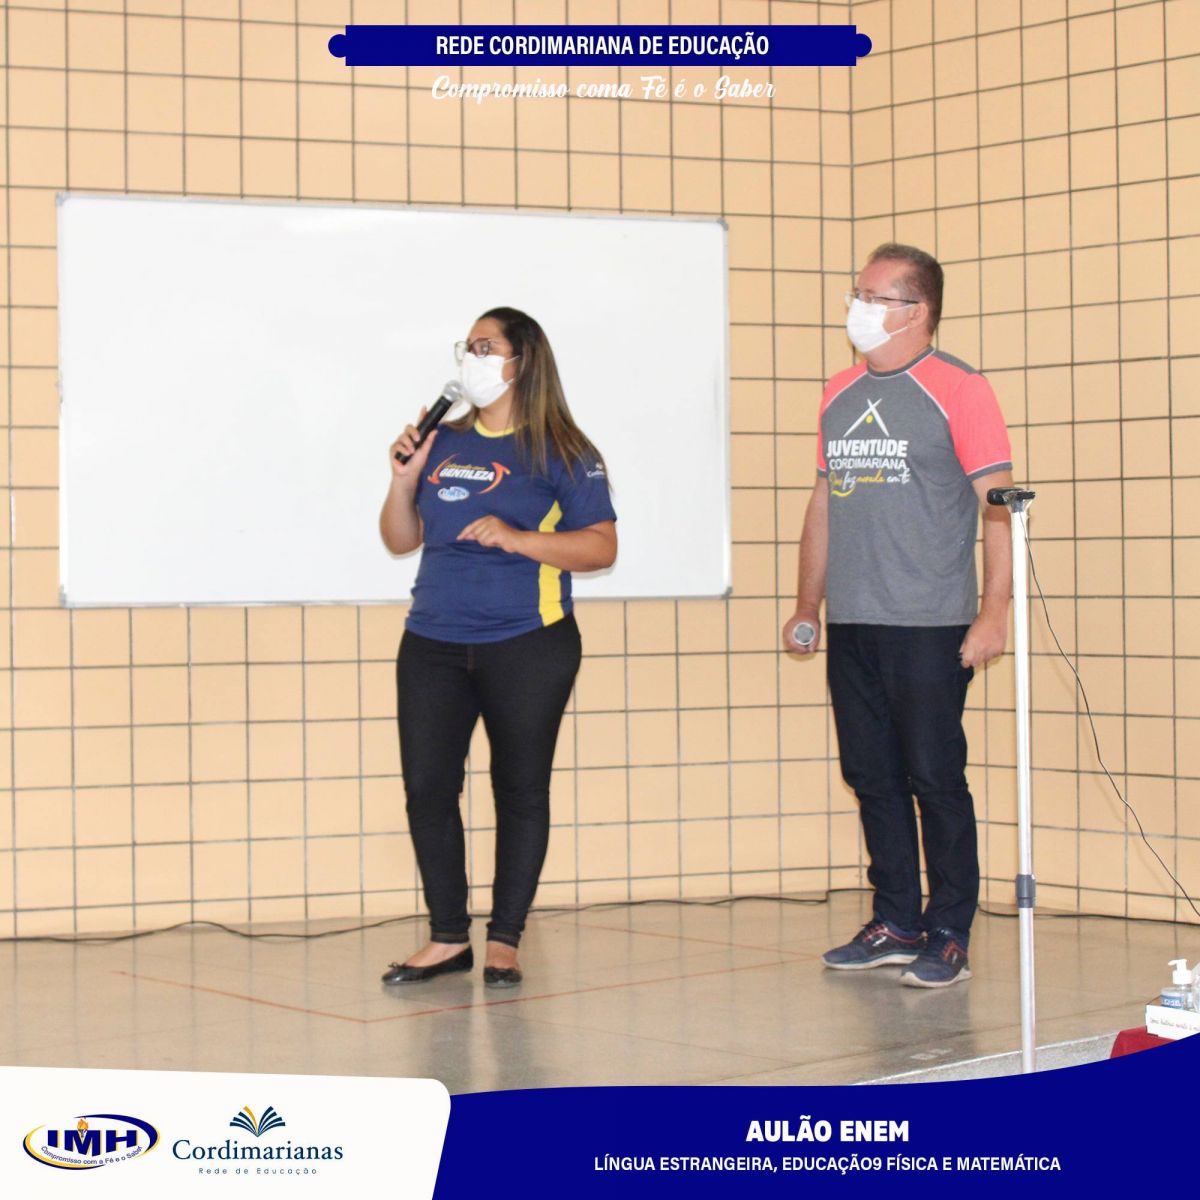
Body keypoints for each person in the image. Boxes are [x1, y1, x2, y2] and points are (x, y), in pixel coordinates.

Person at [783, 244, 1014, 988]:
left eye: (874, 296)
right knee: (872, 776)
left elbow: (999, 509)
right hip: (856, 621)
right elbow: (825, 501)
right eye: (858, 293)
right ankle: (896, 920)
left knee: (934, 776)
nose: (857, 307)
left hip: (931, 622)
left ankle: (948, 930)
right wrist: (808, 604)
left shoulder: (961, 389)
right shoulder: (840, 392)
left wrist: (994, 612)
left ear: (917, 310)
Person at [379, 307, 617, 989]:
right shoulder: (443, 441)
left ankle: (505, 940)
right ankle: (447, 937)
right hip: (433, 641)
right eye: (469, 346)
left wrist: (518, 539)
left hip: (528, 642)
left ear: (522, 361)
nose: (472, 359)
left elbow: (601, 547)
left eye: (486, 347)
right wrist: (402, 480)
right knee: (428, 788)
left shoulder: (563, 449)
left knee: (519, 789)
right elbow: (400, 538)